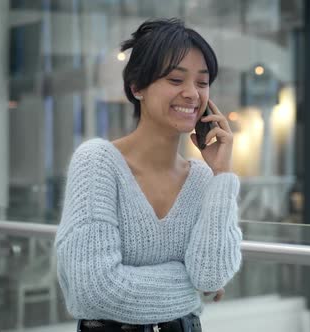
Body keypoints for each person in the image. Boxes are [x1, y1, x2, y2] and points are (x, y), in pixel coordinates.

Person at [54, 18, 242, 332]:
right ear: (137, 87)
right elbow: (96, 290)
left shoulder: (201, 179)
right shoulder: (98, 163)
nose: (192, 94)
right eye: (175, 79)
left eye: (202, 82)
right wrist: (188, 286)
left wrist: (222, 174)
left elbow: (211, 275)